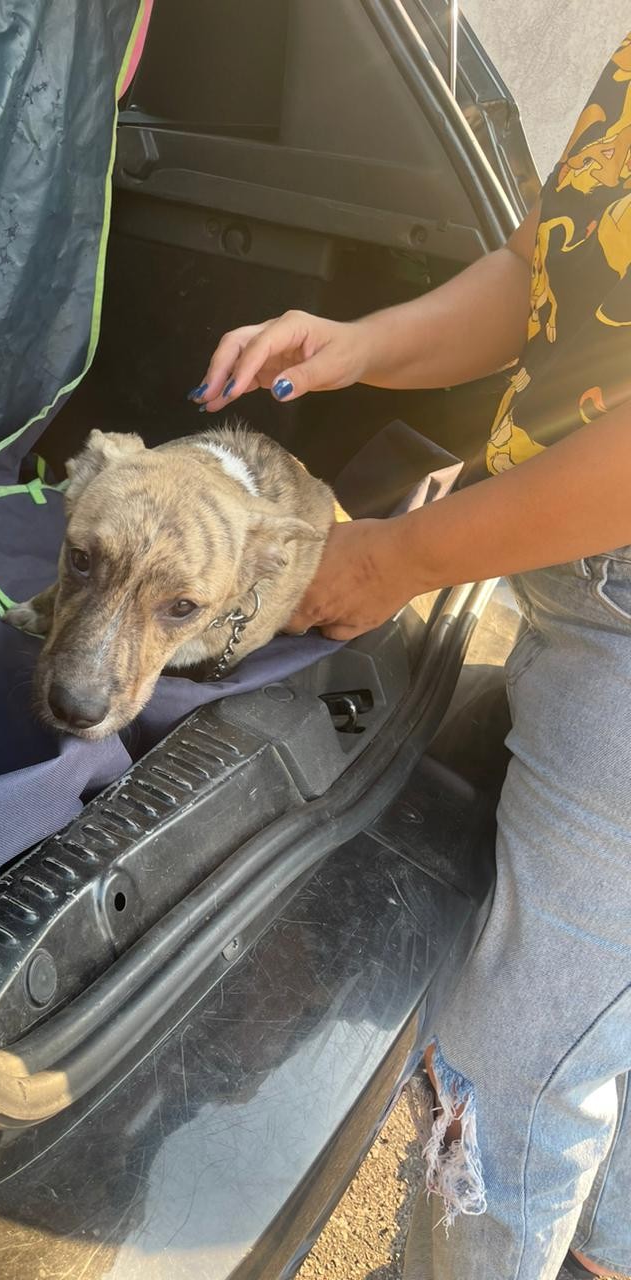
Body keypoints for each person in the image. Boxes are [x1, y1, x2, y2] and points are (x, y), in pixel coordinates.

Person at [191, 32, 631, 1280]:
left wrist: (401, 558)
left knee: (511, 1069)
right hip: (589, 571)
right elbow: (553, 269)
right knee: (599, 1010)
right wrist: (360, 341)